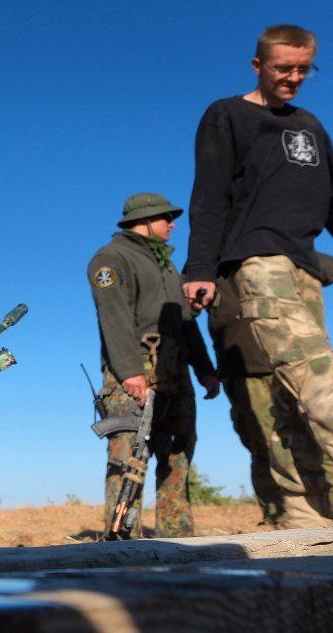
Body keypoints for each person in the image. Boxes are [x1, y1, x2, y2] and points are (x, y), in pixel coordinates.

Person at [183, 24, 333, 527]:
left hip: (305, 269)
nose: (293, 77)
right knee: (321, 379)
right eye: (283, 68)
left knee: (291, 400)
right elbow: (210, 196)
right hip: (257, 263)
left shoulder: (311, 126)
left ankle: (308, 521)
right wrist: (200, 269)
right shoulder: (227, 115)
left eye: (304, 69)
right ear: (258, 65)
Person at [87, 193, 219, 538]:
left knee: (178, 453)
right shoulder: (111, 258)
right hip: (134, 370)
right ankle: (123, 543)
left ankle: (178, 539)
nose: (172, 224)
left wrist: (205, 370)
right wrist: (130, 371)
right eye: (166, 217)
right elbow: (113, 316)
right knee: (129, 456)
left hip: (176, 371)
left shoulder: (168, 266)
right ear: (145, 219)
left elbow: (186, 323)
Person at [208, 252, 333, 526]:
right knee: (263, 445)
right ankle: (279, 517)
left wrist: (291, 254)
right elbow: (188, 302)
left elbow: (330, 269)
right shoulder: (211, 259)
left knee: (321, 430)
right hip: (242, 369)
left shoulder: (275, 246)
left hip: (291, 357)